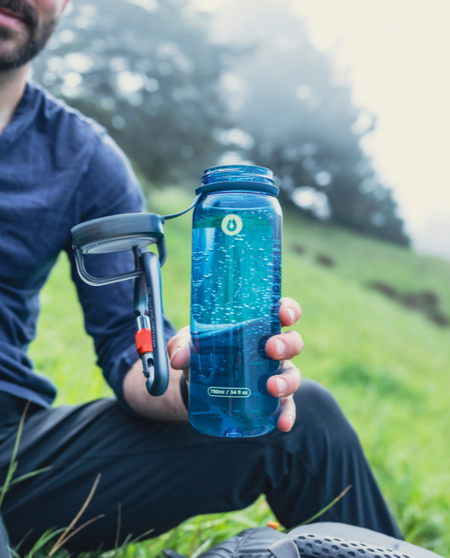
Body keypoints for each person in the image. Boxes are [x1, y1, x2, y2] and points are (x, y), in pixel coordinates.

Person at [0, 0, 402, 554]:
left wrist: (195, 380)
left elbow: (126, 343)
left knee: (302, 418)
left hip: (13, 449)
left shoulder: (83, 158)